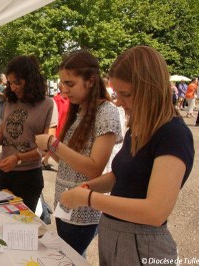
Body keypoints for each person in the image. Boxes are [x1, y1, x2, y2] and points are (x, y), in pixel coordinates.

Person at [56, 46, 194, 265]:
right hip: (115, 235)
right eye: (117, 93)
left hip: (142, 246)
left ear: (150, 89)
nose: (118, 101)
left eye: (125, 94)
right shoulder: (139, 127)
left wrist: (88, 198)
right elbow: (120, 176)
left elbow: (155, 211)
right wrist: (87, 187)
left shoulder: (173, 134)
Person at [35, 50, 123, 256]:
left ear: (91, 81)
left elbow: (94, 168)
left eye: (70, 84)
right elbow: (66, 160)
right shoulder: (80, 110)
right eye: (62, 84)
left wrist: (53, 143)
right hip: (65, 202)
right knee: (71, 257)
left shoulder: (106, 112)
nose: (64, 90)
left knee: (70, 257)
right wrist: (48, 148)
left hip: (84, 208)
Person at [0, 55, 57, 212]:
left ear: (31, 80)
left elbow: (46, 148)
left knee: (22, 227)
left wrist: (18, 158)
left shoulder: (48, 105)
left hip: (29, 176)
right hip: (4, 171)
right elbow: (3, 135)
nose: (13, 87)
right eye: (10, 83)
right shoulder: (10, 101)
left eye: (17, 83)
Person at [41, 81, 69, 171]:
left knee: (59, 146)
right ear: (61, 89)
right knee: (54, 145)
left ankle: (45, 160)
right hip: (58, 126)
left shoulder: (68, 100)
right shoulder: (56, 100)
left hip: (65, 126)